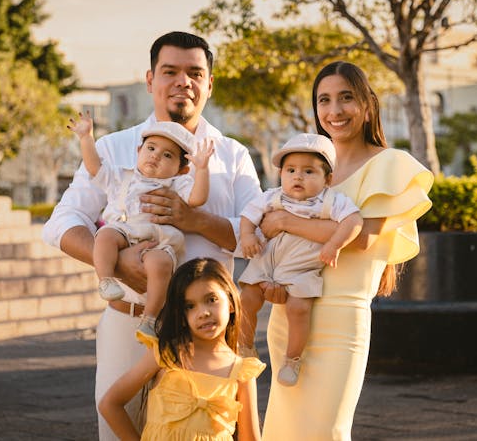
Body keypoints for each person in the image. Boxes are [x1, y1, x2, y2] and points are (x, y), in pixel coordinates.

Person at [41, 31, 262, 440]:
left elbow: (258, 236)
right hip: (131, 323)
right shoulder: (114, 147)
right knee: (117, 428)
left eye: (195, 73)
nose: (184, 82)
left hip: (206, 333)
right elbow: (62, 223)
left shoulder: (232, 155)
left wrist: (194, 219)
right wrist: (119, 264)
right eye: (170, 72)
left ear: (209, 83)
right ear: (150, 80)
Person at [259, 61, 433, 440]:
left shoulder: (390, 164)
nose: (334, 111)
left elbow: (364, 238)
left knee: (328, 431)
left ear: (368, 104)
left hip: (341, 322)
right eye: (324, 100)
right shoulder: (307, 167)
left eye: (345, 98)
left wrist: (286, 222)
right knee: (282, 430)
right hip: (288, 317)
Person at [68, 114, 215, 338]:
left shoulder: (177, 183)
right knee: (104, 236)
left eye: (167, 155)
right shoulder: (122, 176)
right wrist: (86, 137)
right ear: (139, 151)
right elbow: (94, 167)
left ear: (181, 169)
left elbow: (197, 199)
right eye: (151, 148)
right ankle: (106, 280)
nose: (155, 157)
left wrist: (202, 170)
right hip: (124, 230)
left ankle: (151, 318)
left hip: (158, 238)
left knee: (161, 264)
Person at [237, 133, 363, 387]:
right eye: (291, 170)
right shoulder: (272, 197)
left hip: (302, 267)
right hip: (266, 260)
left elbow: (354, 221)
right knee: (247, 298)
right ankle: (244, 346)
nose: (297, 177)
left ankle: (292, 360)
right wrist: (248, 235)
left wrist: (334, 244)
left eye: (308, 171)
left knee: (299, 309)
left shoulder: (331, 201)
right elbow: (248, 216)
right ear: (280, 174)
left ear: (328, 179)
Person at [99, 257, 265, 441]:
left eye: (211, 299)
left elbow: (251, 438)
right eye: (190, 306)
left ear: (231, 302)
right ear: (181, 314)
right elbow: (110, 404)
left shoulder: (242, 372)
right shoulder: (166, 354)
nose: (203, 313)